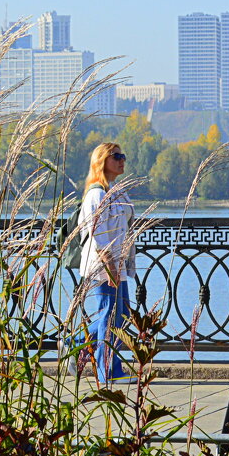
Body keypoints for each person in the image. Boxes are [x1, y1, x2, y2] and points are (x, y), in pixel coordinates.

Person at [78, 142, 137, 384]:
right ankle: (108, 372)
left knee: (120, 317)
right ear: (102, 161)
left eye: (123, 156)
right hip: (104, 268)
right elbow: (98, 234)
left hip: (118, 265)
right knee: (109, 318)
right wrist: (110, 267)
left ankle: (73, 346)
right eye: (116, 156)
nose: (122, 160)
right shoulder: (96, 194)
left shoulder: (117, 191)